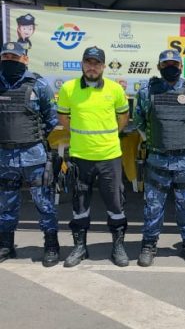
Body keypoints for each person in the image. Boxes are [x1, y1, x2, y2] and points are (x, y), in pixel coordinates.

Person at [57, 46, 130, 267]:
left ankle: (118, 247)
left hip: (109, 157)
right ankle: (80, 248)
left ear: (103, 66)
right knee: (80, 205)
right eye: (88, 62)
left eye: (97, 63)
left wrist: (109, 136)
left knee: (115, 205)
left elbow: (123, 116)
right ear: (82, 64)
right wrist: (81, 136)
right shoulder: (68, 88)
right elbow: (63, 117)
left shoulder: (115, 89)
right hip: (80, 157)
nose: (92, 67)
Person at [134, 49, 185, 266]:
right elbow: (139, 120)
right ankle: (149, 244)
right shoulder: (147, 91)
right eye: (166, 65)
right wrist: (156, 141)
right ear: (159, 67)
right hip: (157, 158)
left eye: (174, 64)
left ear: (181, 66)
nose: (170, 68)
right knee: (153, 205)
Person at [0, 42, 59, 267]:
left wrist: (34, 137)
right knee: (6, 203)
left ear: (25, 59)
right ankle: (6, 244)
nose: (9, 61)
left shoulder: (38, 84)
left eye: (14, 58)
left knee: (43, 202)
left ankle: (51, 245)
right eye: (5, 56)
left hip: (33, 154)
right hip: (4, 156)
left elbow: (51, 118)